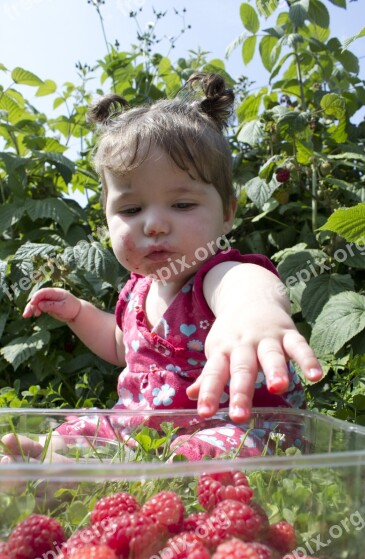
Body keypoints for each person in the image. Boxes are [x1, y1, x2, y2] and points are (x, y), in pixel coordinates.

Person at [14, 72, 322, 460]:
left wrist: (254, 313)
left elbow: (247, 284)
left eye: (182, 205)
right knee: (88, 428)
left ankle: (114, 476)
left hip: (230, 426)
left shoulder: (216, 275)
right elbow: (121, 345)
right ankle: (52, 456)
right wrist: (80, 313)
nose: (154, 224)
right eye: (130, 209)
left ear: (227, 213)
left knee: (216, 450)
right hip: (142, 429)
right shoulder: (136, 291)